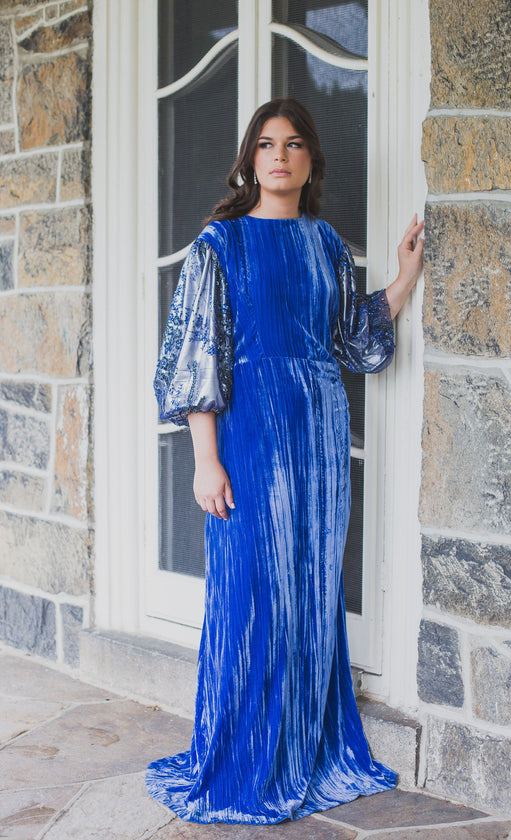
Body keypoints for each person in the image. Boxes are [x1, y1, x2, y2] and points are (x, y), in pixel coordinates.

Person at [146, 98, 424, 825]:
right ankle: (244, 759)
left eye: (294, 144)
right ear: (248, 160)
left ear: (310, 163)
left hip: (320, 439)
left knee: (308, 590)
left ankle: (305, 743)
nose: (279, 155)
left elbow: (349, 339)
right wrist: (206, 461)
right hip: (249, 438)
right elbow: (198, 357)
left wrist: (400, 279)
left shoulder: (328, 244)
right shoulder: (220, 245)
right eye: (266, 144)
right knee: (248, 594)